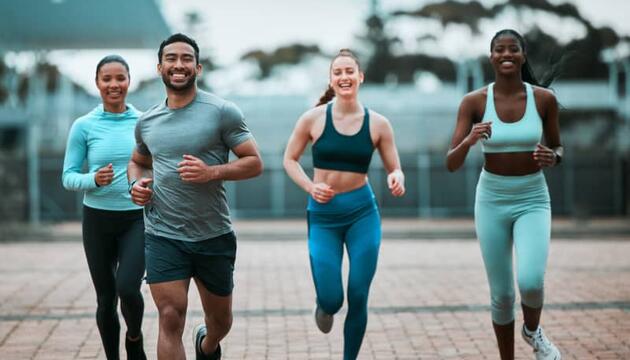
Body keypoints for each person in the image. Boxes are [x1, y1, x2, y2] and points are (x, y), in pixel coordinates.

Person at [127, 33, 263, 360]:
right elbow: (138, 162)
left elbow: (255, 162)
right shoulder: (147, 122)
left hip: (213, 234)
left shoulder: (222, 112)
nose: (179, 64)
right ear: (160, 67)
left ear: (197, 67)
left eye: (186, 58)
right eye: (171, 58)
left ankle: (208, 344)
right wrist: (136, 185)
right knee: (170, 315)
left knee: (220, 321)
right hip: (163, 234)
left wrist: (212, 172)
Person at [446, 29, 563, 360]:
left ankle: (533, 332)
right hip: (492, 200)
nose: (507, 54)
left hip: (533, 198)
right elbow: (450, 163)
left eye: (514, 49)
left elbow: (558, 146)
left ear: (523, 56)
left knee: (530, 282)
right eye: (500, 49)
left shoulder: (543, 99)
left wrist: (554, 157)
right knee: (501, 295)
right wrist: (469, 140)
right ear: (491, 56)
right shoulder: (473, 102)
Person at [283, 49, 405, 360]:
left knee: (359, 293)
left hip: (362, 212)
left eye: (350, 71)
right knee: (333, 298)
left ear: (360, 77)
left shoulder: (378, 124)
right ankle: (323, 305)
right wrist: (311, 187)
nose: (344, 76)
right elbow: (290, 160)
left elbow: (395, 167)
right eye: (338, 72)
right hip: (324, 216)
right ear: (331, 79)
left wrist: (397, 177)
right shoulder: (312, 119)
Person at [62, 55, 146, 360]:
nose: (114, 84)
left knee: (128, 288)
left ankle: (134, 339)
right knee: (106, 297)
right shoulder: (84, 126)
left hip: (136, 219)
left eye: (120, 78)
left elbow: (157, 166)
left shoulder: (143, 122)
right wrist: (93, 179)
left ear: (129, 81)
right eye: (107, 79)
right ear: (97, 83)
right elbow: (68, 176)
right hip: (97, 220)